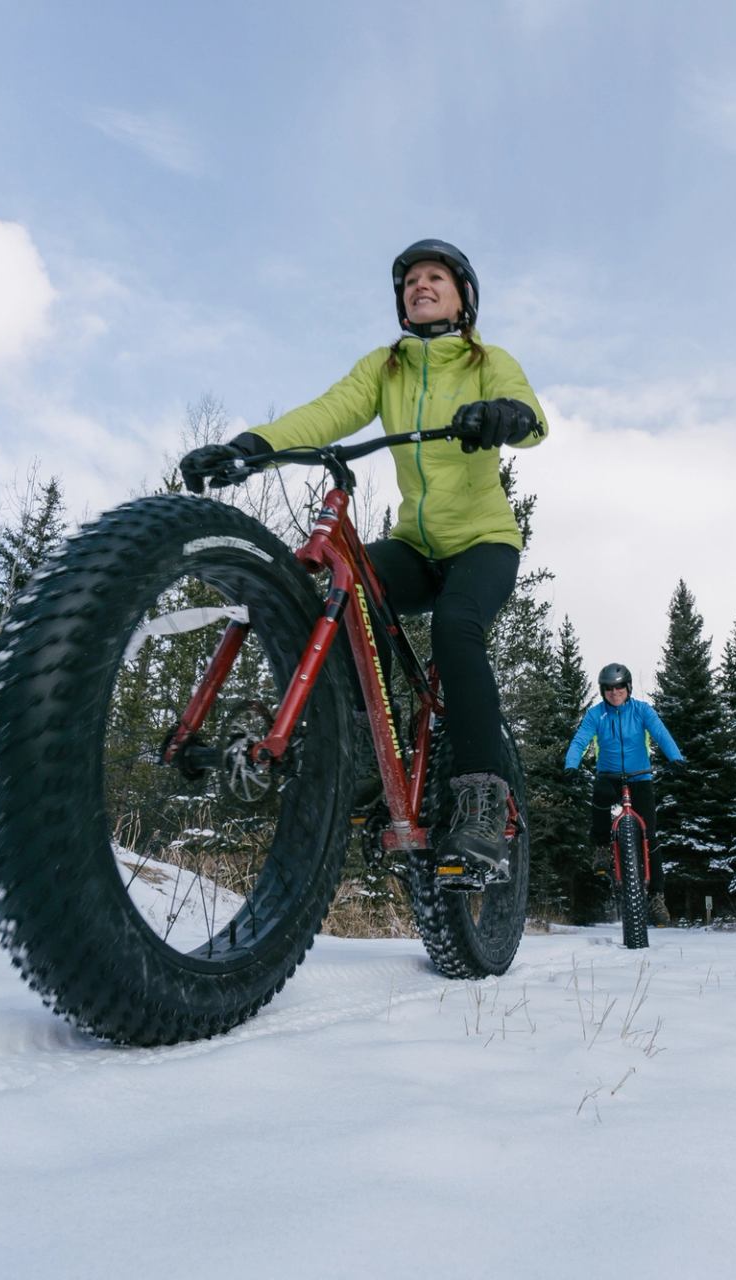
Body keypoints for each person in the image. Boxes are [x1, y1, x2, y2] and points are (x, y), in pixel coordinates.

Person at [179, 239, 546, 880]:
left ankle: (485, 799)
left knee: (458, 629)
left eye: (435, 277)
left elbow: (532, 416)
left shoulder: (488, 360)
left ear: (463, 298)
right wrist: (250, 446)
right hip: (414, 544)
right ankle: (362, 753)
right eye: (409, 281)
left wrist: (501, 415)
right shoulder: (387, 366)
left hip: (483, 542)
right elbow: (330, 412)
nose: (419, 285)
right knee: (338, 599)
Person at [562, 662, 685, 883]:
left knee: (650, 835)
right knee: (600, 794)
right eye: (608, 688)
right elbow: (580, 740)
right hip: (608, 777)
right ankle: (601, 848)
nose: (614, 692)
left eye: (619, 687)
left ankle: (657, 897)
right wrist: (571, 764)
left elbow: (660, 733)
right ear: (602, 691)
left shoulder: (642, 710)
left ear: (628, 688)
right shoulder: (596, 715)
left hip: (640, 776)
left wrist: (676, 757)